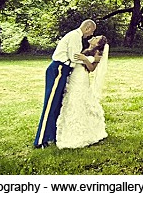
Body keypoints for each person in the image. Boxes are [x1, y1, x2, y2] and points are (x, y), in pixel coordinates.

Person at [34, 19, 96, 148]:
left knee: (57, 105)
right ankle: (40, 140)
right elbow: (74, 58)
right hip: (59, 69)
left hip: (63, 70)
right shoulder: (74, 36)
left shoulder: (76, 36)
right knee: (50, 105)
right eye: (92, 31)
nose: (91, 35)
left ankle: (51, 135)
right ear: (88, 28)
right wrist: (91, 59)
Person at [56, 35, 109, 149]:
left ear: (98, 43)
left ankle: (81, 131)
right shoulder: (86, 49)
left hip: (81, 78)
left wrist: (85, 59)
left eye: (96, 38)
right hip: (74, 75)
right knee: (72, 99)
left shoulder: (97, 53)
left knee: (78, 100)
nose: (93, 37)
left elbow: (91, 69)